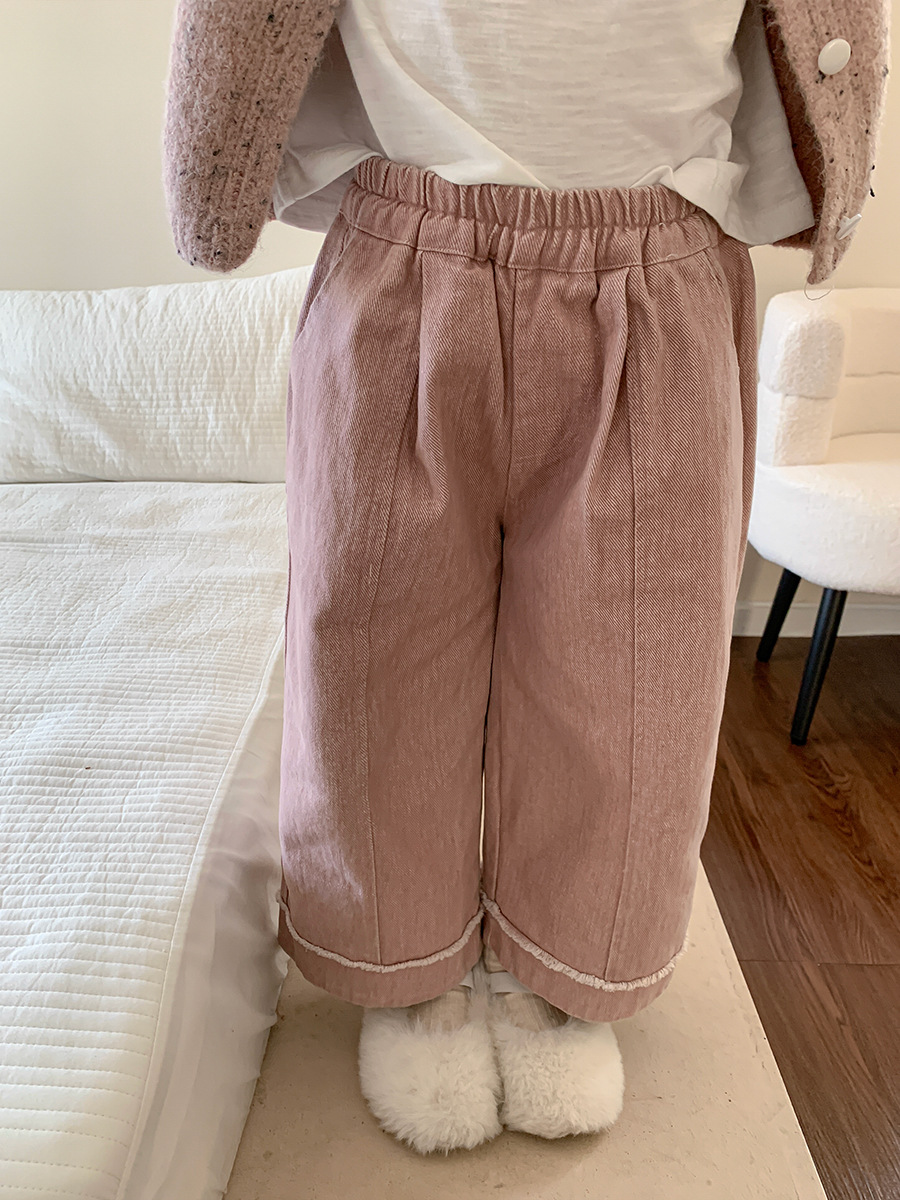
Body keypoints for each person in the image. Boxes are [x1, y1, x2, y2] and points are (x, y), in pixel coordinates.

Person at [163, 0, 889, 1156]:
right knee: (375, 657)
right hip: (407, 247)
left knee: (634, 671)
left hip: (662, 257)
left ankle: (565, 972)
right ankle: (405, 970)